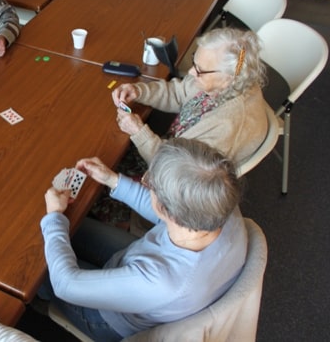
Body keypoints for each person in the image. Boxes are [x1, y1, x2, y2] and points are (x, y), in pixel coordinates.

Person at [38, 138, 247, 341]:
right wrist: (112, 179)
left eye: (149, 182)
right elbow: (164, 214)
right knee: (70, 229)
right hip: (138, 264)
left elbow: (65, 284)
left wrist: (55, 216)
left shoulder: (163, 281)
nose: (146, 183)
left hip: (109, 319)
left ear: (170, 212)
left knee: (38, 264)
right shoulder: (221, 202)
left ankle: (38, 298)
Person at [92, 28, 269, 228]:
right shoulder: (225, 81)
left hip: (175, 187)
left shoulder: (228, 126)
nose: (192, 73)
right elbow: (178, 93)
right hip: (172, 149)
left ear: (228, 78)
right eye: (195, 61)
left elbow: (176, 171)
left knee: (93, 186)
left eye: (200, 70)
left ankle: (125, 225)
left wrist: (139, 133)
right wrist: (139, 91)